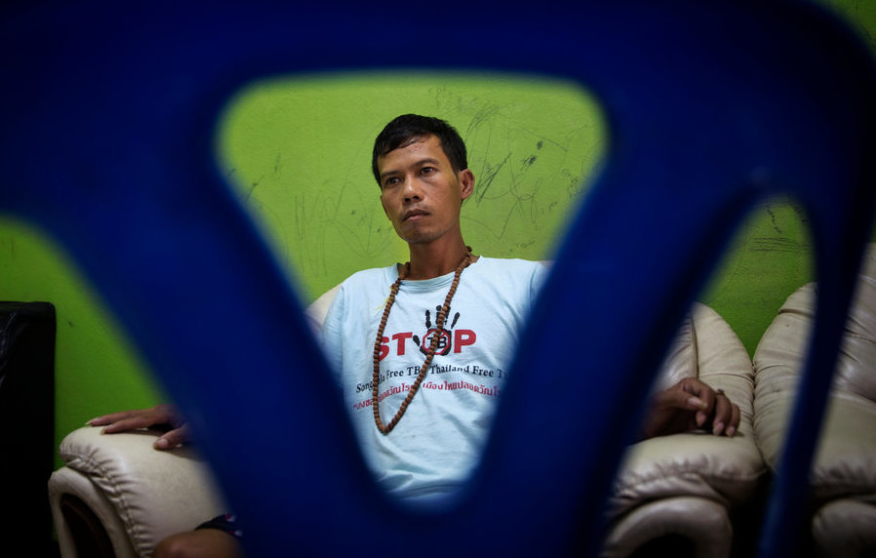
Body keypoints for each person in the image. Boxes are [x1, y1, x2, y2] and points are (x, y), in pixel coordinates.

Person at [91, 114, 741, 557]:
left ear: (462, 184)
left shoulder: (526, 286)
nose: (409, 191)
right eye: (391, 179)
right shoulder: (355, 297)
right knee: (182, 551)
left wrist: (671, 402)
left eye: (426, 171)